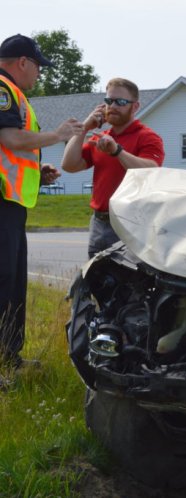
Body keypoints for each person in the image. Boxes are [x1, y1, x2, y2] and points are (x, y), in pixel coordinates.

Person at [0, 34, 84, 372]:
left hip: (11, 204)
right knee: (4, 282)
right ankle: (5, 363)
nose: (39, 75)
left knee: (13, 283)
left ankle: (9, 358)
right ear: (23, 62)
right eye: (38, 67)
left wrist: (37, 168)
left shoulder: (14, 93)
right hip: (2, 204)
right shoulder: (4, 90)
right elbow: (9, 138)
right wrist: (59, 135)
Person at [62, 77, 164, 258]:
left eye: (121, 102)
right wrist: (85, 127)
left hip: (131, 224)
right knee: (95, 282)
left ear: (135, 107)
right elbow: (69, 165)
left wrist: (117, 151)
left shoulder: (147, 137)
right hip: (99, 223)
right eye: (109, 101)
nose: (113, 106)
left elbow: (151, 171)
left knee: (127, 283)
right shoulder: (100, 138)